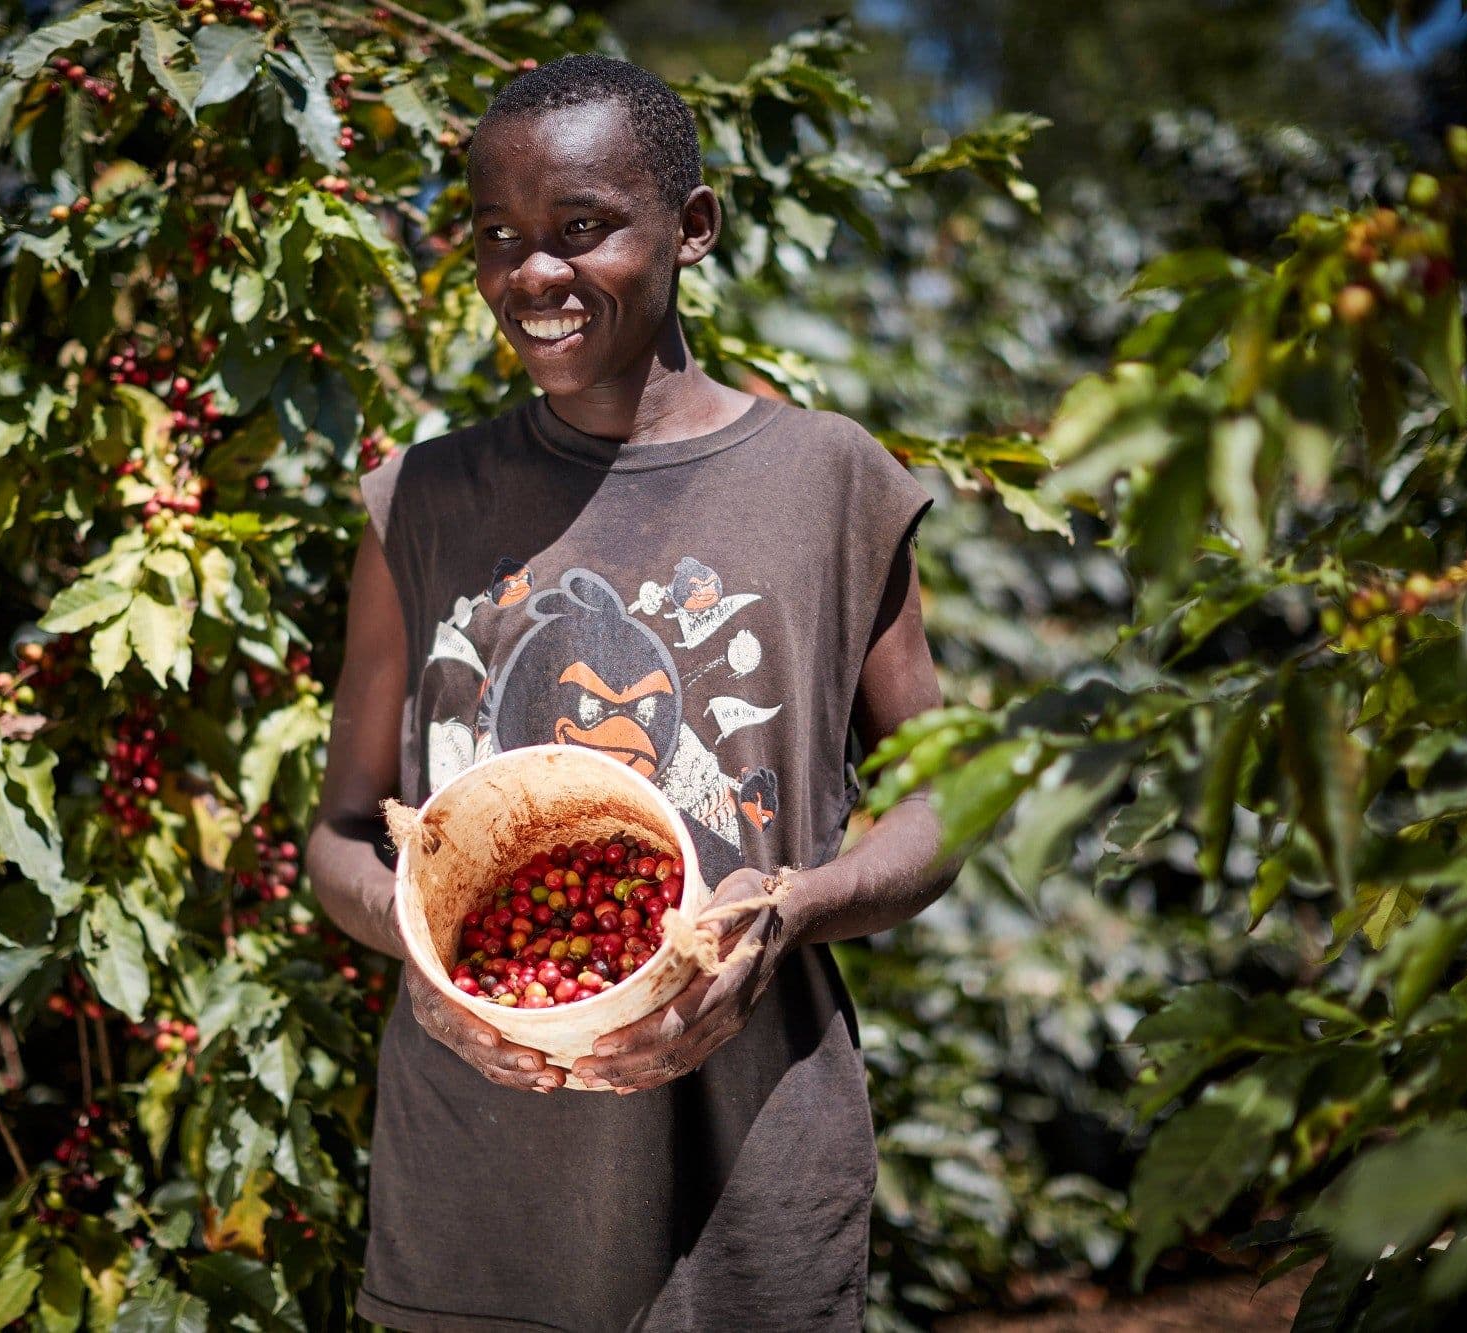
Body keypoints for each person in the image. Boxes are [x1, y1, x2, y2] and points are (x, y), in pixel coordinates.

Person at [307, 53, 958, 1332]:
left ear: (691, 228)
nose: (530, 276)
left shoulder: (828, 482)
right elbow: (337, 831)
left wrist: (789, 910)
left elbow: (948, 802)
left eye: (580, 227)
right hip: (477, 1190)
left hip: (741, 1187)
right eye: (498, 236)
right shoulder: (422, 500)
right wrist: (422, 950)